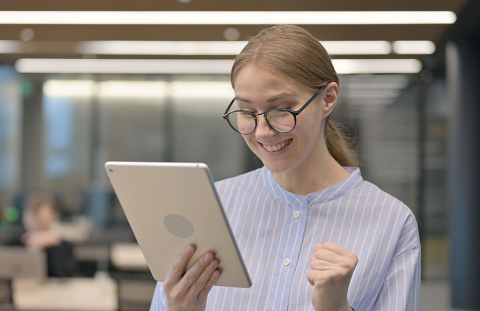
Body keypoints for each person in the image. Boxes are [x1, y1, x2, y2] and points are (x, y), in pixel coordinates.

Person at [150, 25, 421, 311]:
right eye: (246, 111)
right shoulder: (209, 208)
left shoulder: (392, 222)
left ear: (328, 98)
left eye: (281, 109)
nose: (263, 132)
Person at [0, 191, 78, 277]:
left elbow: (64, 276)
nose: (42, 222)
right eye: (38, 219)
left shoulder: (62, 244)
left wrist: (54, 244)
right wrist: (31, 244)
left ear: (54, 217)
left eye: (46, 218)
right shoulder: (22, 239)